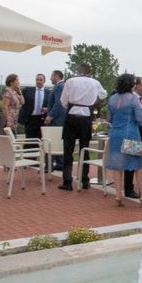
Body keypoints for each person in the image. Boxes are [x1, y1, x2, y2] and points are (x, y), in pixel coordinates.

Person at [58, 62, 108, 191]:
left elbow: (63, 101)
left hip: (71, 116)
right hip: (86, 117)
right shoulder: (94, 82)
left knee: (68, 150)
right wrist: (92, 100)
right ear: (89, 71)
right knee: (84, 149)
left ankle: (67, 181)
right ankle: (85, 180)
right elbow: (104, 94)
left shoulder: (70, 81)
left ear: (77, 70)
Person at [107, 74, 142, 207]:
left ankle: (118, 195)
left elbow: (109, 118)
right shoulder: (134, 98)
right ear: (131, 85)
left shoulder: (112, 98)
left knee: (118, 166)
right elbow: (140, 118)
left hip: (115, 134)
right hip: (131, 134)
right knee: (138, 166)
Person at [124, 76, 142, 199]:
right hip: (134, 134)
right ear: (137, 86)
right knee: (132, 163)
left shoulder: (141, 99)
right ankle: (128, 188)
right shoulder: (132, 99)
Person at [44, 70, 66, 170]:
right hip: (60, 118)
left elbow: (59, 103)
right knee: (57, 140)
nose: (50, 78)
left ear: (56, 76)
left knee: (54, 141)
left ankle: (59, 164)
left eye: (51, 76)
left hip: (56, 120)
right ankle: (59, 163)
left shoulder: (58, 87)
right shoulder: (63, 86)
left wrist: (50, 116)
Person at [18, 73, 49, 142]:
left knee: (40, 139)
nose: (38, 81)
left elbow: (52, 105)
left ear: (44, 81)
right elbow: (21, 100)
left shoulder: (49, 92)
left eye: (41, 80)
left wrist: (47, 109)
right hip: (30, 119)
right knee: (29, 139)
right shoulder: (28, 90)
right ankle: (28, 152)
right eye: (37, 80)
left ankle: (39, 152)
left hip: (41, 119)